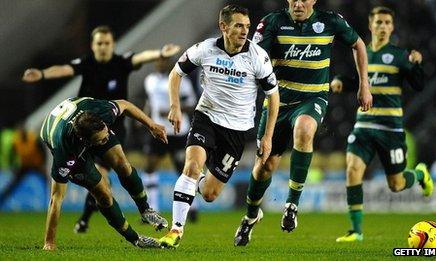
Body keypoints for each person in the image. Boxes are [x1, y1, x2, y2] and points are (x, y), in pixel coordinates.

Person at [234, 0, 372, 247]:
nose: (298, 3)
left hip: (312, 98)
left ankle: (291, 205)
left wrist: (364, 85)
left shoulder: (330, 21)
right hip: (278, 103)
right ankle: (251, 215)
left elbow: (359, 45)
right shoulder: (272, 22)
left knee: (305, 128)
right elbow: (252, 59)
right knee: (264, 167)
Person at [22, 25, 180, 233]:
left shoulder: (120, 63)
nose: (103, 47)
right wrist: (42, 74)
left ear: (112, 44)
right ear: (92, 45)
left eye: (106, 43)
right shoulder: (87, 63)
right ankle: (88, 219)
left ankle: (142, 210)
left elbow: (141, 57)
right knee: (101, 181)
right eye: (99, 43)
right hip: (80, 129)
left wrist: (159, 53)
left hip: (110, 124)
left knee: (121, 166)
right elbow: (64, 69)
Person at [157, 5, 280, 249]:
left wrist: (267, 136)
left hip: (237, 130)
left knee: (210, 194)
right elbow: (176, 73)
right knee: (191, 166)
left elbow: (273, 96)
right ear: (223, 27)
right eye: (238, 26)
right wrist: (175, 106)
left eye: (247, 26)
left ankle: (195, 182)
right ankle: (176, 230)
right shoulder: (205, 49)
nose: (244, 31)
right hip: (207, 118)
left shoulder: (257, 57)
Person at [331, 6, 433, 243]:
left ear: (392, 27)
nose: (383, 27)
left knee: (396, 185)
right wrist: (340, 82)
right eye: (379, 22)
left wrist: (416, 65)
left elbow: (418, 85)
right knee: (352, 171)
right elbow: (358, 82)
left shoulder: (399, 55)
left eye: (387, 23)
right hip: (364, 126)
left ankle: (419, 174)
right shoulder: (362, 53)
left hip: (391, 129)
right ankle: (356, 231)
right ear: (370, 25)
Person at [40, 97, 169, 250]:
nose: (107, 139)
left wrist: (151, 125)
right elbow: (56, 198)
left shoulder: (101, 112)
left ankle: (146, 210)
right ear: (86, 141)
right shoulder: (66, 151)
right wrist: (49, 242)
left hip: (82, 119)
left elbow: (125, 105)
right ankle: (136, 239)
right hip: (62, 138)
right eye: (102, 140)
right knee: (103, 194)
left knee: (123, 165)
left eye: (106, 133)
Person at [142, 58, 199, 219]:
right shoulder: (150, 80)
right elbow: (150, 102)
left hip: (178, 131)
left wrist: (171, 110)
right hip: (157, 131)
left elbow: (192, 103)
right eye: (159, 61)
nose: (160, 64)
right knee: (150, 166)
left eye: (164, 62)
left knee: (184, 169)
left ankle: (192, 207)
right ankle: (151, 209)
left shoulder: (182, 81)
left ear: (170, 64)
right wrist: (144, 119)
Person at [0, 122, 47, 208]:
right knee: (12, 184)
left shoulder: (33, 139)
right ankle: (1, 200)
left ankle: (50, 200)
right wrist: (12, 165)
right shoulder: (16, 140)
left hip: (36, 165)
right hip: (24, 165)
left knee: (47, 180)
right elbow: (12, 153)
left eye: (22, 132)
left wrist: (43, 163)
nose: (21, 133)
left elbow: (43, 152)